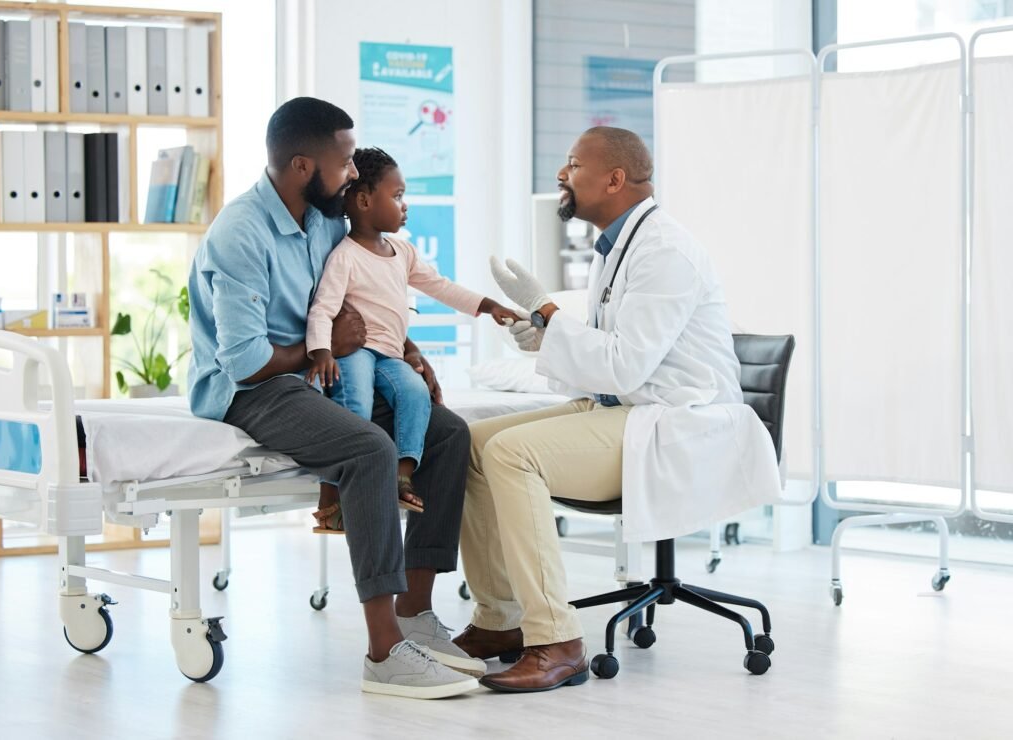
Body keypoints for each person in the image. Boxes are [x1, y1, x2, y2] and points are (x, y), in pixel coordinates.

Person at [453, 126, 781, 693]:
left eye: (573, 164)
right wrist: (540, 327)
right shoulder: (619, 246)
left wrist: (549, 314)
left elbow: (627, 366)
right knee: (473, 442)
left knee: (509, 454)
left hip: (679, 423)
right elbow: (614, 354)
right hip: (633, 408)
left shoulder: (666, 251)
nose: (562, 174)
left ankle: (557, 641)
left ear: (614, 178)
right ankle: (500, 622)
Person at [187, 97, 484, 699]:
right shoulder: (240, 233)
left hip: (323, 375)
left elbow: (368, 293)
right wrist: (322, 348)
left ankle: (413, 616)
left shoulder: (324, 221)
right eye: (346, 161)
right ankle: (383, 653)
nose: (353, 175)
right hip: (252, 388)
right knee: (370, 450)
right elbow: (243, 363)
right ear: (302, 165)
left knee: (448, 433)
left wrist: (404, 347)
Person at [305, 146, 519, 535]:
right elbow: (322, 309)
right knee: (355, 405)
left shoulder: (402, 252)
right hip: (355, 352)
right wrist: (321, 351)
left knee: (416, 393)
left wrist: (487, 306)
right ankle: (333, 496)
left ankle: (403, 477)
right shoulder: (345, 256)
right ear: (365, 200)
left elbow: (440, 287)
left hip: (389, 354)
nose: (405, 206)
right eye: (398, 195)